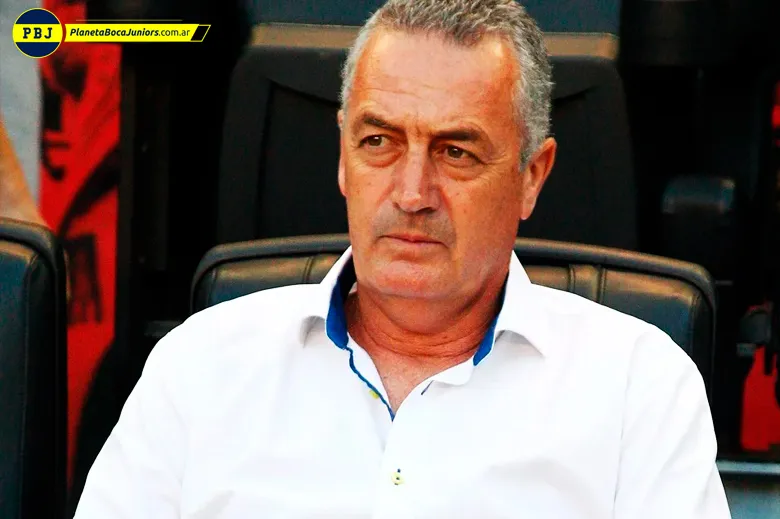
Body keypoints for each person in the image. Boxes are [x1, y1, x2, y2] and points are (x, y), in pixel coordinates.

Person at [74, 0, 731, 517]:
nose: (413, 193)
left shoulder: (639, 388)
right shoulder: (200, 367)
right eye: (380, 142)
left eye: (456, 152)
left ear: (532, 175)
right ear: (342, 156)